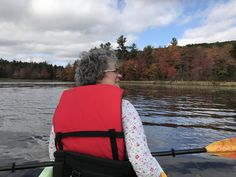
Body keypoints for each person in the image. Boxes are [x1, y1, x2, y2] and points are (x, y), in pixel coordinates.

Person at [49, 48, 167, 177]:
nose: (119, 75)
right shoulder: (125, 108)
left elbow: (53, 154)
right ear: (99, 74)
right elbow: (141, 163)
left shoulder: (63, 109)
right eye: (115, 71)